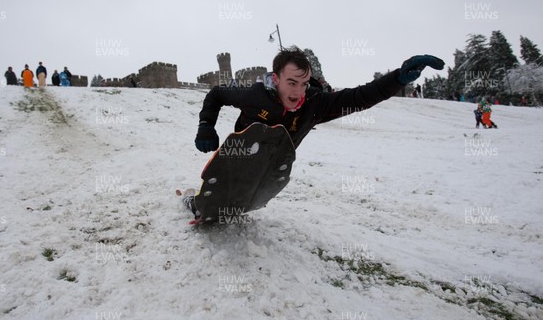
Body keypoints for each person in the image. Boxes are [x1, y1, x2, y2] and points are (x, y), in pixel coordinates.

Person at [185, 46, 445, 217]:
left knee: (242, 195)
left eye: (304, 83)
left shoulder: (315, 105)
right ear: (275, 79)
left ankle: (237, 202)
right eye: (291, 83)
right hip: (239, 156)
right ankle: (195, 203)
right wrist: (206, 125)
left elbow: (360, 96)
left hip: (269, 165)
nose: (298, 92)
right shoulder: (255, 96)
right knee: (221, 190)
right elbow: (217, 93)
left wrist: (397, 78)